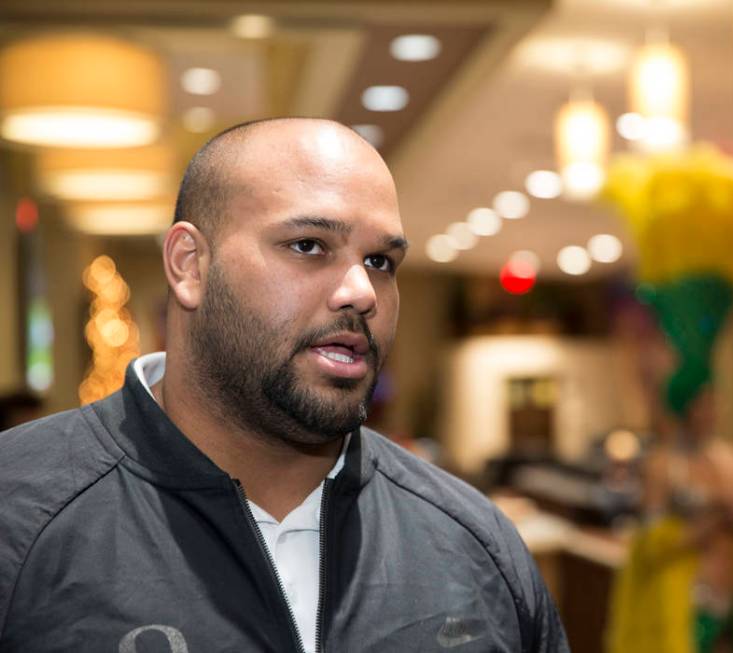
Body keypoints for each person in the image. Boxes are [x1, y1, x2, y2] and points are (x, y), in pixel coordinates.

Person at [0, 118, 567, 652]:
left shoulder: (475, 546)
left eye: (380, 261)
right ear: (189, 266)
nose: (361, 291)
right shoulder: (19, 512)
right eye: (308, 246)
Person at [606, 385, 733, 653]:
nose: (707, 413)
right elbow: (649, 543)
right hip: (690, 595)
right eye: (699, 405)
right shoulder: (663, 464)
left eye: (712, 404)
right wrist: (705, 527)